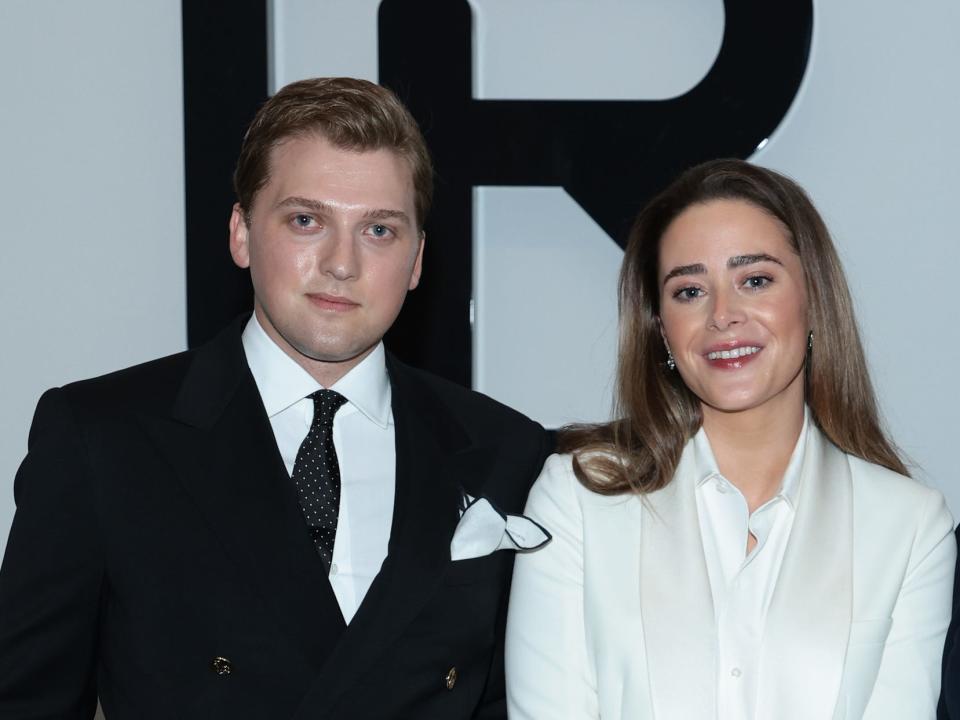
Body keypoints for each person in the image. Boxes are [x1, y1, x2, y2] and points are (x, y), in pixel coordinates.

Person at [0, 77, 549, 719]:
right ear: (240, 232)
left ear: (418, 259)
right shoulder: (103, 438)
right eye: (307, 220)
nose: (342, 263)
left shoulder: (506, 450)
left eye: (378, 230)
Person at [505, 159, 955, 719]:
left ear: (814, 300)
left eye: (755, 280)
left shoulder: (910, 526)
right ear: (660, 327)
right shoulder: (578, 495)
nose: (723, 315)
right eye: (690, 291)